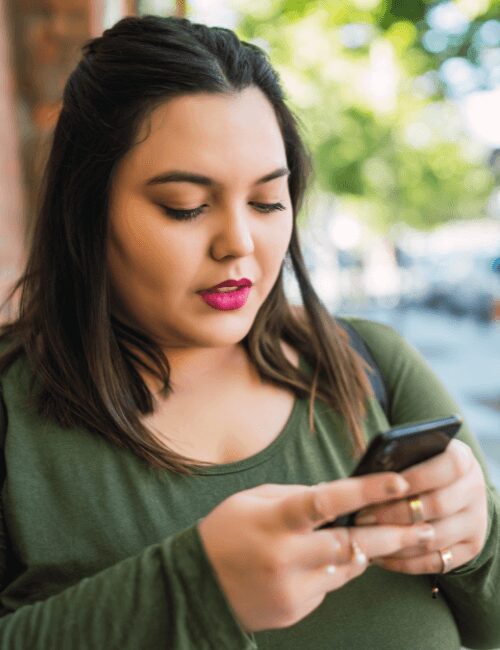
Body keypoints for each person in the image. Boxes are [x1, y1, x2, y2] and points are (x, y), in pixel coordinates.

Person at [0, 14, 498, 650]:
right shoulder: (14, 419)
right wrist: (191, 593)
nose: (239, 243)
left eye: (267, 201)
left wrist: (478, 534)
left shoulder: (371, 365)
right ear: (85, 208)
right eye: (185, 206)